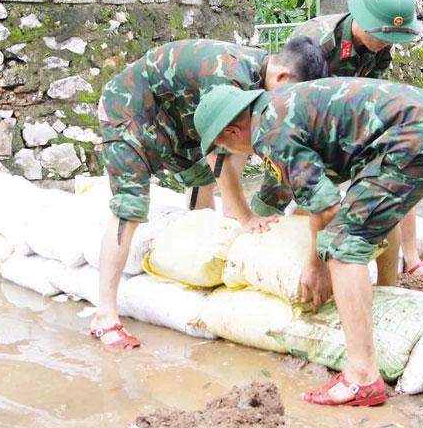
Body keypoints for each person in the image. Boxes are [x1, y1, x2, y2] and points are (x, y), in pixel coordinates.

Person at [194, 78, 423, 407]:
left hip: (420, 138)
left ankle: (361, 377)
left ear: (232, 133)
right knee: (368, 213)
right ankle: (387, 294)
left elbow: (326, 209)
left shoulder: (272, 134)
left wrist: (317, 264)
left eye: (223, 148)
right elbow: (310, 194)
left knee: (342, 243)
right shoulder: (276, 107)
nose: (231, 155)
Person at [89, 37, 328, 349]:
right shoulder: (228, 74)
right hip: (131, 109)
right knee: (130, 206)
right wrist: (243, 215)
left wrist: (238, 211)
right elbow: (220, 147)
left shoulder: (258, 78)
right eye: (289, 94)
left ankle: (190, 260)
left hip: (179, 117)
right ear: (282, 77)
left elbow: (237, 143)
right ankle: (105, 314)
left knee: (202, 179)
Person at [288, 0, 423, 283]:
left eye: (392, 37)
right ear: (361, 18)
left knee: (396, 169)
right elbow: (295, 101)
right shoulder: (316, 41)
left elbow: (370, 95)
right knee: (316, 198)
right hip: (311, 121)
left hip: (351, 120)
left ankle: (411, 261)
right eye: (382, 34)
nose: (386, 43)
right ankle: (306, 257)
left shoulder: (380, 45)